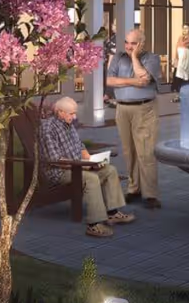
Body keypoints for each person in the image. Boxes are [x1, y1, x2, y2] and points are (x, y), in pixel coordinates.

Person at [38, 97, 136, 237]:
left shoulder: (68, 123)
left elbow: (80, 145)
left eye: (75, 113)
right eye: (71, 113)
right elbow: (56, 160)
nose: (74, 117)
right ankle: (93, 225)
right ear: (60, 112)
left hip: (77, 166)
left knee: (109, 170)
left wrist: (90, 160)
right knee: (91, 178)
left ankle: (113, 213)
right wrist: (84, 166)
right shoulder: (48, 129)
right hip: (59, 171)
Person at [104, 27, 163, 207]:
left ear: (142, 44)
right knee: (129, 152)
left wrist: (135, 57)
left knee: (145, 152)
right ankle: (133, 189)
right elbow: (109, 81)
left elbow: (144, 79)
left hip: (144, 109)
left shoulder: (152, 58)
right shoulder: (117, 58)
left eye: (134, 44)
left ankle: (150, 194)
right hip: (122, 109)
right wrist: (133, 82)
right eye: (127, 43)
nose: (129, 47)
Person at [173, 27, 189, 92]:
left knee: (185, 76)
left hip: (187, 60)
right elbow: (177, 47)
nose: (184, 30)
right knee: (178, 74)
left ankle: (184, 90)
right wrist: (176, 57)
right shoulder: (180, 38)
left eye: (186, 28)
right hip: (179, 58)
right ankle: (177, 89)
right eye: (183, 28)